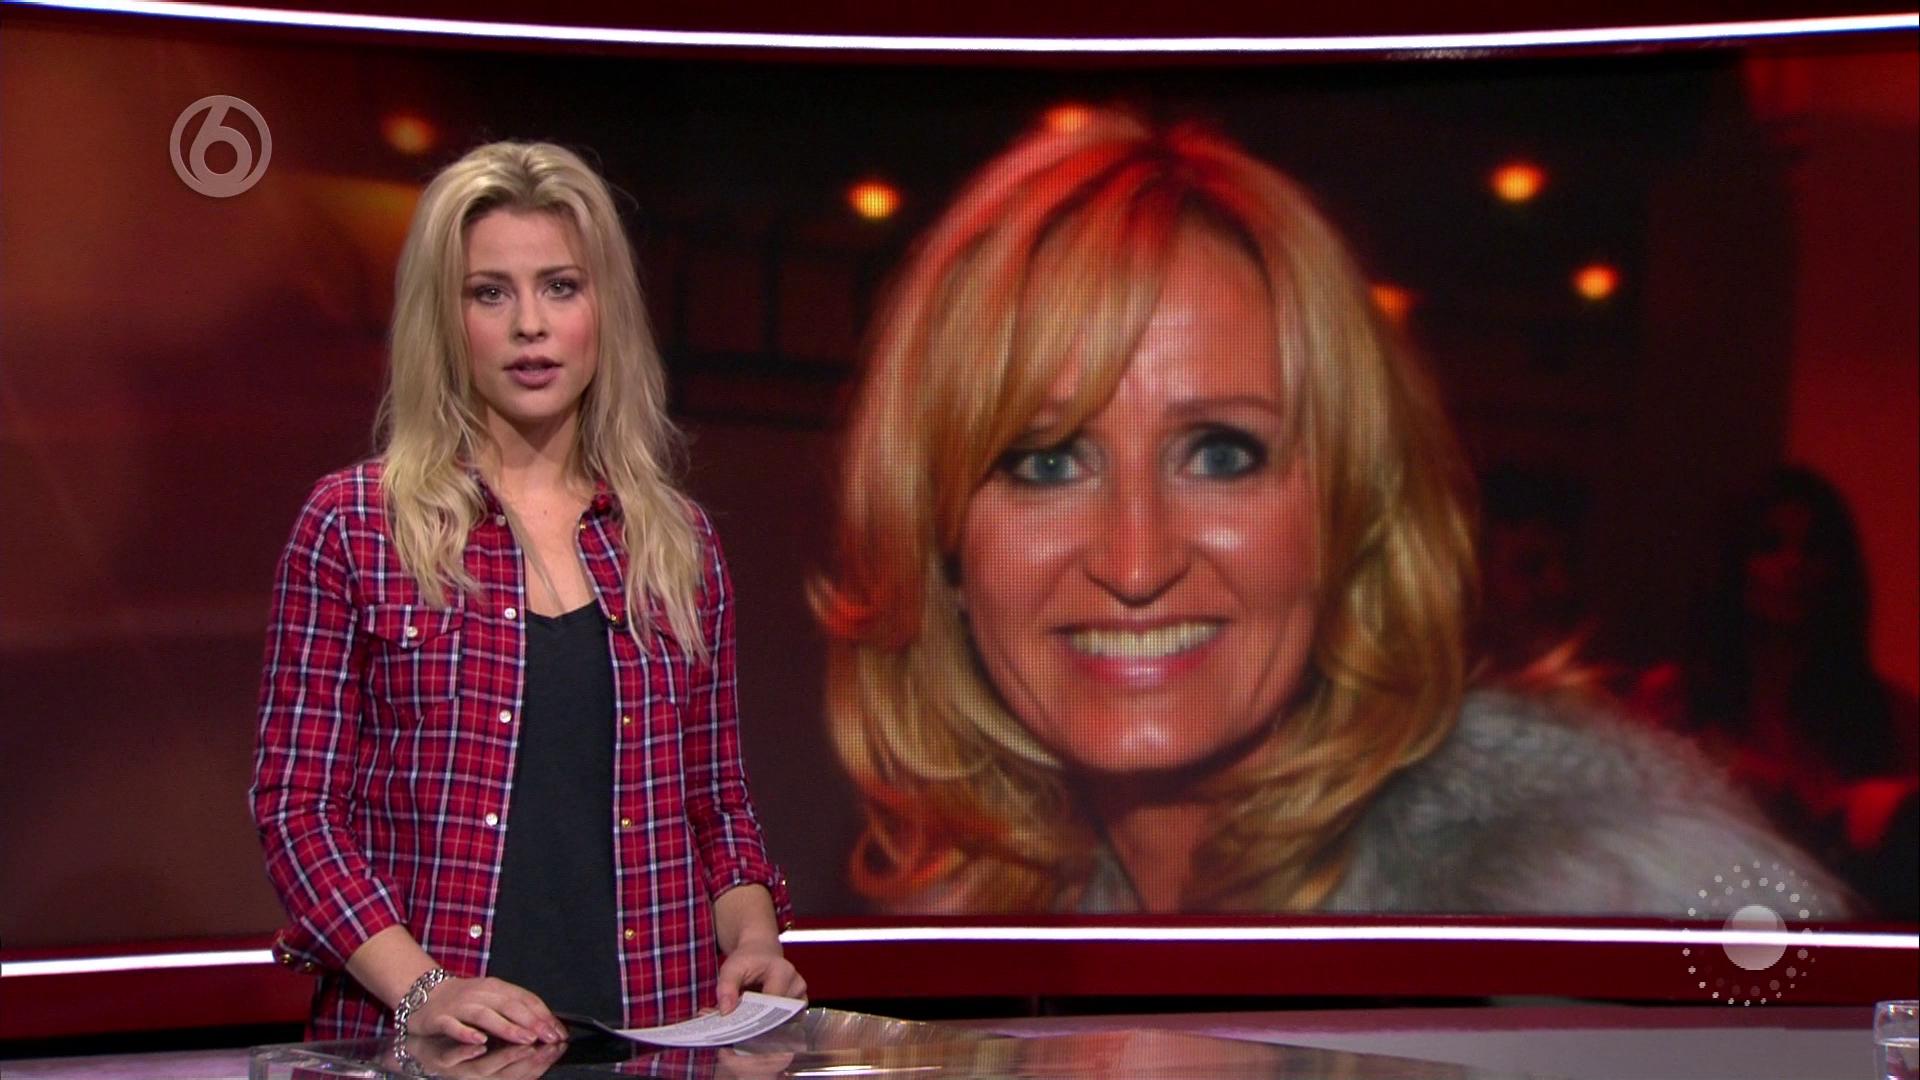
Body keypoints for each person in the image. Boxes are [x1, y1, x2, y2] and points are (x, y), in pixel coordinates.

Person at [815, 109, 1843, 916]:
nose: (1134, 561)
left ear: (1350, 520)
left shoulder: (1571, 892)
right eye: (1045, 463)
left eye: (1222, 454)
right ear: (941, 548)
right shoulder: (981, 924)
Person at [253, 142, 803, 1044]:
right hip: (432, 1047)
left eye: (560, 287)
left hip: (651, 1032)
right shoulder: (354, 524)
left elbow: (716, 805)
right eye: (489, 293)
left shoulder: (676, 542)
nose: (530, 326)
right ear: (443, 318)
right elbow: (297, 810)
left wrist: (753, 940)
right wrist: (425, 990)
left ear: (604, 309)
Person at [1635, 466, 1919, 916]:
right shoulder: (1671, 699)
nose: (1794, 565)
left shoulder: (1888, 713)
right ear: (1732, 563)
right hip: (1707, 917)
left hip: (1847, 928)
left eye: (1813, 549)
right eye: (1769, 546)